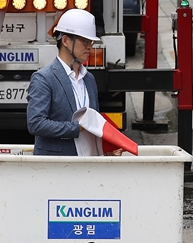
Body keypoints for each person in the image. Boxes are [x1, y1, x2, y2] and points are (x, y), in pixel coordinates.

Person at [27, 9, 122, 156]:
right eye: (84, 41)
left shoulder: (89, 79)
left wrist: (106, 149)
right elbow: (36, 124)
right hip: (58, 167)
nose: (89, 46)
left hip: (89, 165)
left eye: (90, 42)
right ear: (65, 40)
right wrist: (76, 127)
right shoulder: (44, 78)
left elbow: (94, 124)